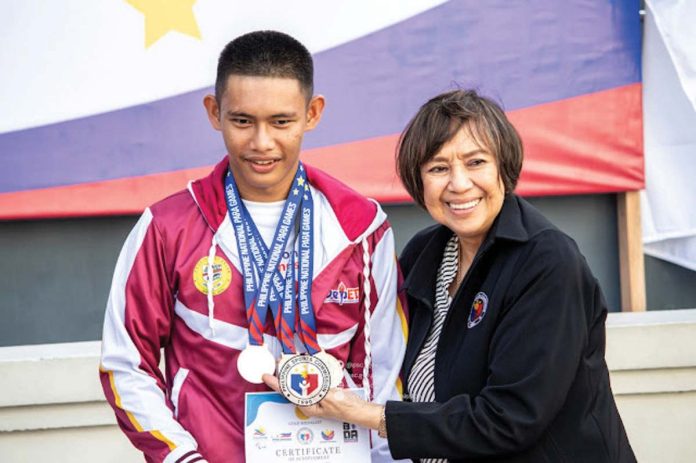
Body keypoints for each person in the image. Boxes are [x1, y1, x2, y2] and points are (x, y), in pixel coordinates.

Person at [266, 89, 636, 462]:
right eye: (439, 168)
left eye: (476, 163)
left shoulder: (547, 262)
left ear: (503, 168)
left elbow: (510, 419)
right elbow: (385, 360)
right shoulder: (423, 254)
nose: (459, 184)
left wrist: (363, 414)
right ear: (419, 180)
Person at [99, 30, 407, 463]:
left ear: (312, 114)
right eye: (242, 121)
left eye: (281, 122)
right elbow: (126, 363)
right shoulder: (167, 227)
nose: (261, 142)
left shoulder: (361, 228)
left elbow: (386, 371)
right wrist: (182, 458)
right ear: (214, 112)